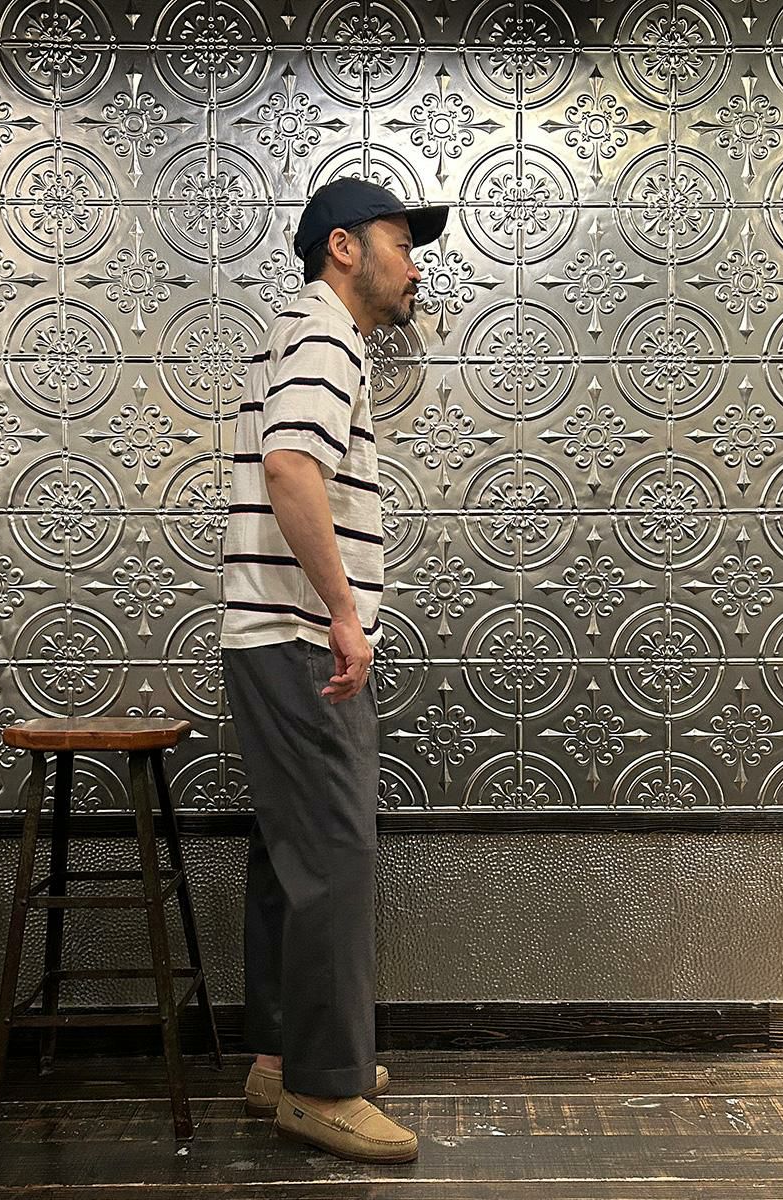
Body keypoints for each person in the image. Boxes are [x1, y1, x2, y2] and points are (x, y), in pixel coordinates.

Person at [220, 178, 448, 1164]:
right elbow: (290, 467)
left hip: (271, 635)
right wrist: (345, 614)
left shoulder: (300, 332)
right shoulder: (324, 333)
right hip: (300, 636)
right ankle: (323, 1089)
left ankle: (284, 1061)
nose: (415, 266)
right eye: (403, 242)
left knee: (292, 860)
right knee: (336, 857)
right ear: (344, 247)